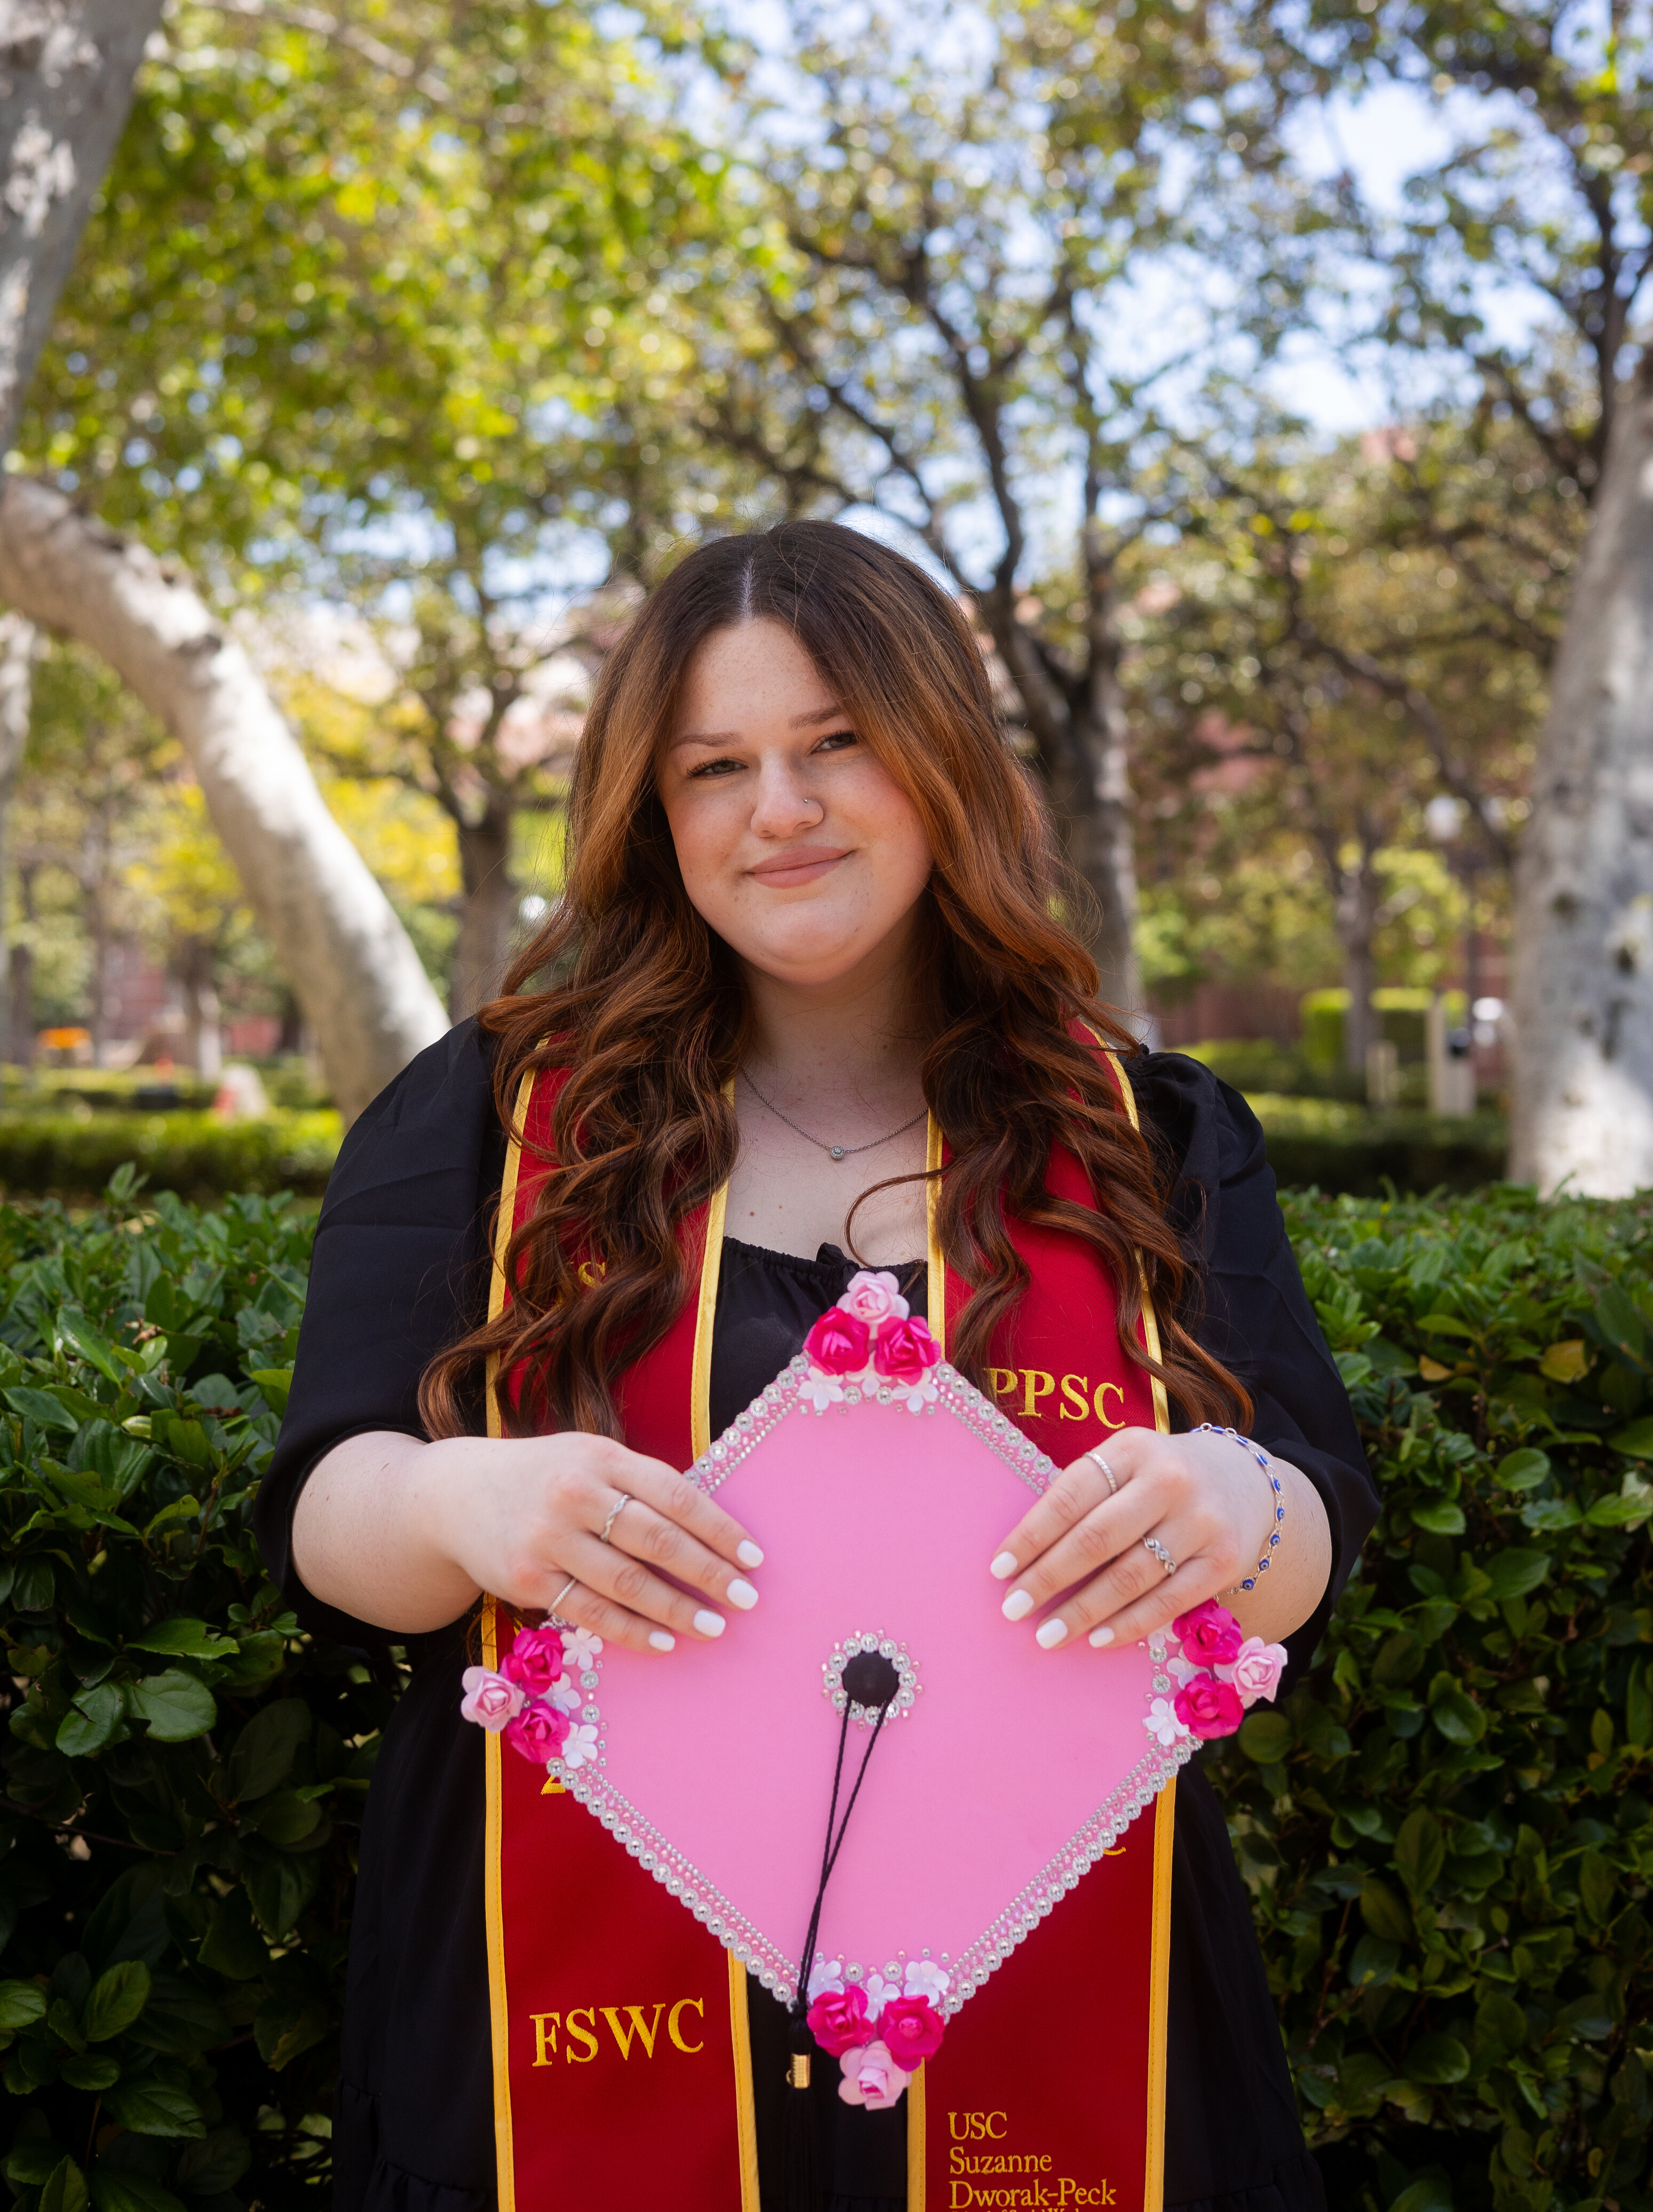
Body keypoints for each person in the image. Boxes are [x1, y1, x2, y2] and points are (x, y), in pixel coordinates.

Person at [256, 520, 1377, 2212]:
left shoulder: (1143, 1131)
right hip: (569, 1993)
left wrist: (1235, 1502)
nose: (779, 809)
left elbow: (1314, 1530)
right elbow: (330, 1513)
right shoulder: (491, 1120)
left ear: (939, 760)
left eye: (836, 743)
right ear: (657, 814)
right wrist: (462, 1497)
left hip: (1067, 1983)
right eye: (716, 767)